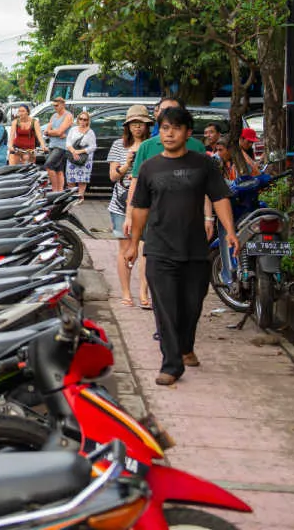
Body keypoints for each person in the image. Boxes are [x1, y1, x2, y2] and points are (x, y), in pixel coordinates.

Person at [127, 105, 238, 386]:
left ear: (188, 133)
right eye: (165, 128)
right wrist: (132, 244)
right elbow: (139, 208)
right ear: (159, 131)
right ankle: (171, 363)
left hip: (195, 250)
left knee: (191, 306)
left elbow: (220, 197)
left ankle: (186, 346)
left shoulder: (203, 164)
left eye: (176, 128)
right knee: (165, 308)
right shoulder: (150, 167)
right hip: (159, 249)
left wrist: (230, 231)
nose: (170, 133)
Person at [123, 97, 206, 239]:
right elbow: (135, 185)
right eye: (163, 110)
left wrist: (208, 217)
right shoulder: (147, 147)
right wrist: (130, 216)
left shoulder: (197, 148)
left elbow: (207, 188)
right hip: (154, 220)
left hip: (189, 222)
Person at [107, 105, 152, 308]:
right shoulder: (119, 145)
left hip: (147, 205)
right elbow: (113, 176)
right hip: (120, 203)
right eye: (134, 123)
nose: (137, 127)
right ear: (127, 126)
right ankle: (126, 293)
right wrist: (126, 164)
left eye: (141, 123)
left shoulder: (152, 146)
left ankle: (144, 293)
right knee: (124, 248)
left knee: (146, 250)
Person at [42, 97, 74, 191]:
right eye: (54, 105)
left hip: (62, 146)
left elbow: (59, 131)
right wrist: (53, 132)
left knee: (48, 165)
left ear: (63, 104)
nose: (55, 107)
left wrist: (52, 132)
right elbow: (46, 131)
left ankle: (54, 190)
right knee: (58, 170)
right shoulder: (54, 116)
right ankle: (60, 191)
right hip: (52, 145)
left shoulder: (68, 116)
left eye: (56, 105)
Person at [64, 112, 96, 200]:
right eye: (80, 119)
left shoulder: (90, 132)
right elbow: (68, 142)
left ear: (88, 121)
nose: (82, 121)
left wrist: (80, 151)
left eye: (84, 119)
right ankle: (72, 196)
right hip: (72, 156)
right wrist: (74, 152)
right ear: (78, 119)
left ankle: (80, 196)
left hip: (85, 158)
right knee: (71, 178)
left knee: (82, 179)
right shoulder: (73, 130)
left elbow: (93, 146)